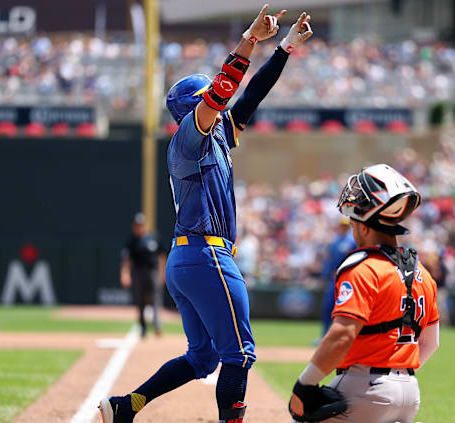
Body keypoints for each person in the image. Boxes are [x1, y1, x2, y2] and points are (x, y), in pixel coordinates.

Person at [100, 5, 313, 423]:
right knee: (240, 354)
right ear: (188, 110)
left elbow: (250, 95)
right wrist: (249, 40)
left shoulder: (216, 134)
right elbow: (223, 90)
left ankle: (126, 407)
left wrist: (285, 47)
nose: (218, 104)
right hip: (206, 254)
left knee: (203, 359)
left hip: (190, 258)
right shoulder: (188, 139)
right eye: (207, 101)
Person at [289, 164, 440, 423]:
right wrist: (398, 377)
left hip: (364, 387)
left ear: (366, 226)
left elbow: (342, 334)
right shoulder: (423, 274)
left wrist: (304, 385)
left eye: (353, 222)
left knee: (299, 417)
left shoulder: (362, 266)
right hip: (410, 393)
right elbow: (431, 343)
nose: (351, 227)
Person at [120, 213, 166, 337]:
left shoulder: (153, 237)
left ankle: (157, 324)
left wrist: (163, 273)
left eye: (141, 225)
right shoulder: (131, 241)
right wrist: (125, 274)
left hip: (153, 271)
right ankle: (143, 327)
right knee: (140, 300)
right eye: (137, 225)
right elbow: (127, 259)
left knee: (156, 298)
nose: (139, 227)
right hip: (138, 272)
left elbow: (161, 256)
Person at [319, 218, 357, 336]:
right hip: (333, 279)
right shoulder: (335, 241)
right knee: (327, 307)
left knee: (343, 308)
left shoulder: (351, 241)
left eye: (345, 226)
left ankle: (340, 335)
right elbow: (329, 261)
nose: (343, 228)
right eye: (341, 225)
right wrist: (324, 275)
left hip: (346, 278)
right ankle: (324, 334)